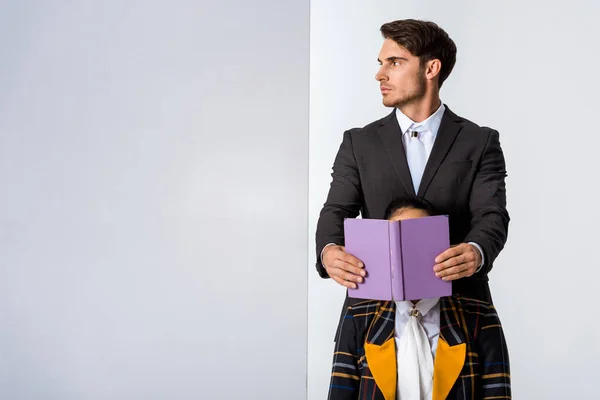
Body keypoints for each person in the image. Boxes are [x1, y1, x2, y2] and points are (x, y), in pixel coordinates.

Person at [316, 19, 509, 304]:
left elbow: (492, 214)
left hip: (462, 307)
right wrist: (329, 250)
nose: (379, 74)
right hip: (373, 311)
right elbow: (336, 210)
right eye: (382, 63)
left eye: (394, 62)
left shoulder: (480, 141)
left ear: (431, 68)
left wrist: (476, 250)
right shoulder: (359, 142)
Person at [328, 197, 511, 400]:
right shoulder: (358, 319)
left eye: (418, 241)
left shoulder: (481, 318)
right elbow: (339, 393)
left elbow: (498, 394)